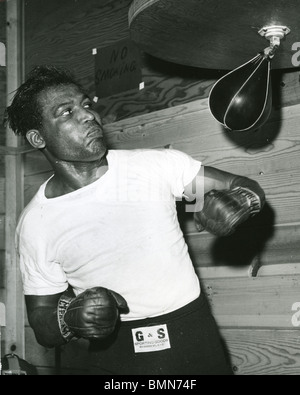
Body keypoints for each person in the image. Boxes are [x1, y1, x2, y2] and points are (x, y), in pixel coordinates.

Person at [5, 65, 265, 376]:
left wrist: (241, 201)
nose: (88, 115)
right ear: (38, 137)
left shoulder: (154, 167)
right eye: (66, 112)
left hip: (194, 338)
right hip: (115, 356)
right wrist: (70, 318)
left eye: (87, 105)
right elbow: (42, 322)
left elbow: (244, 187)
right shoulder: (37, 223)